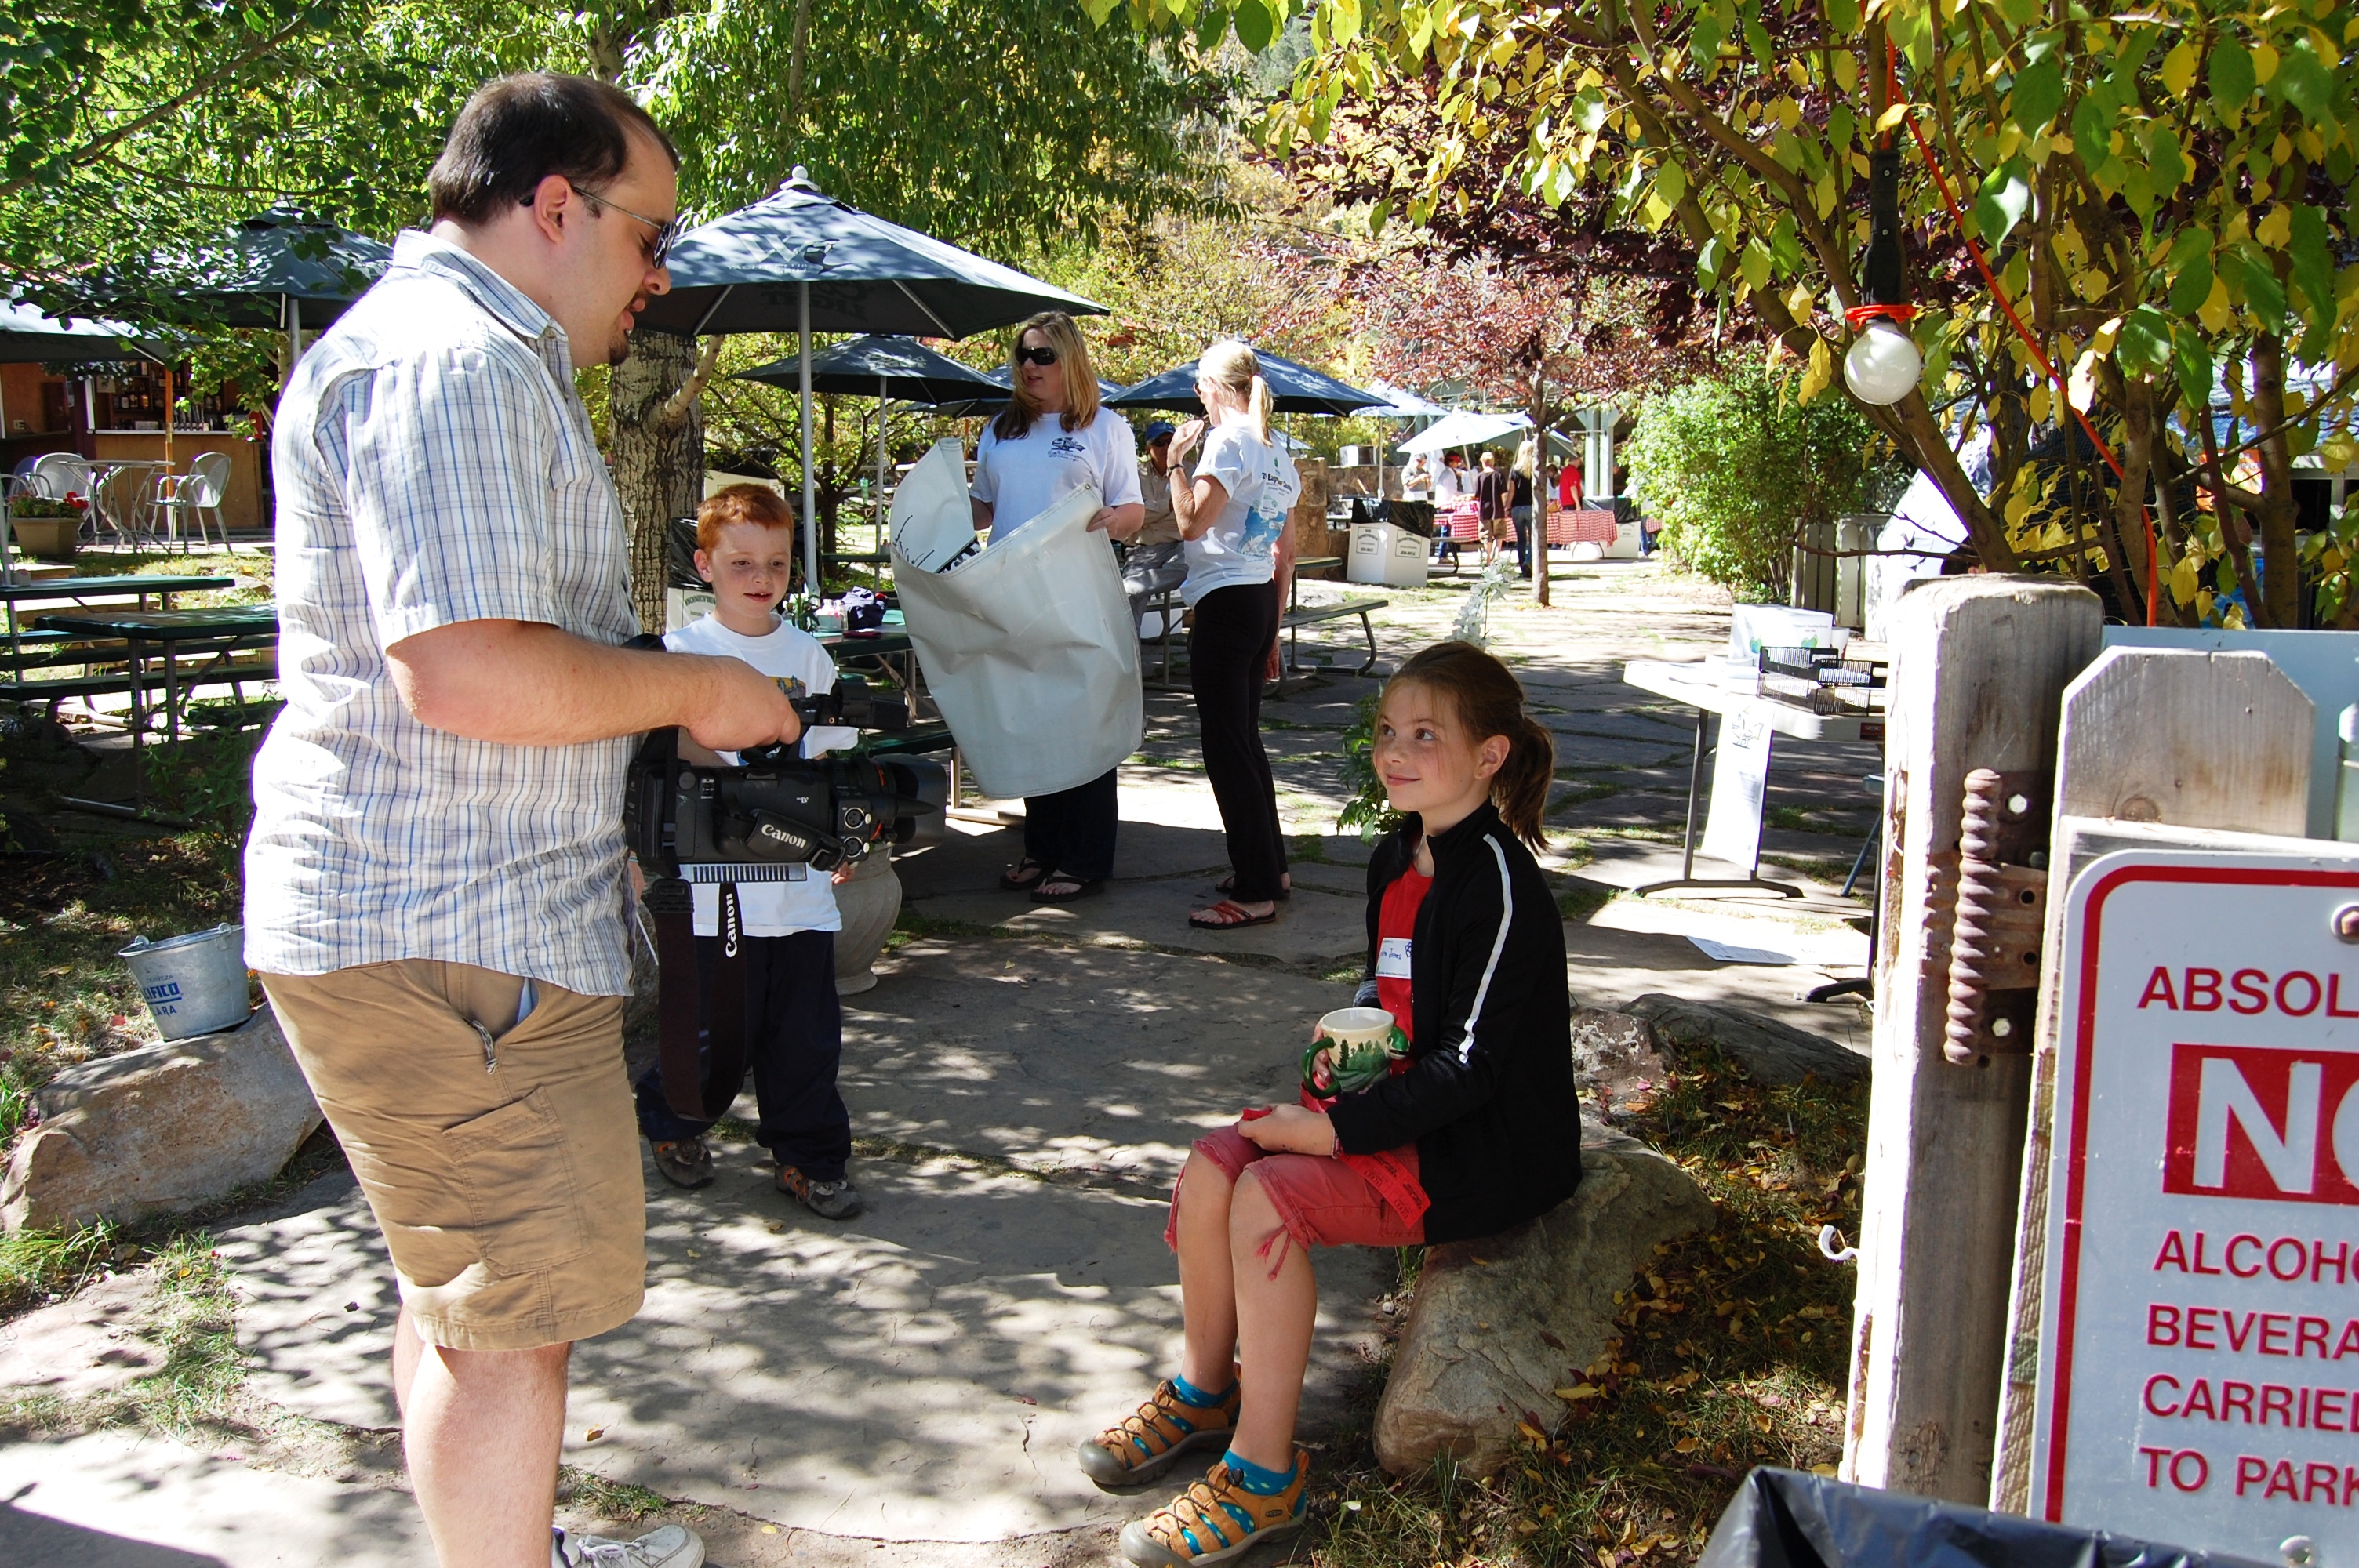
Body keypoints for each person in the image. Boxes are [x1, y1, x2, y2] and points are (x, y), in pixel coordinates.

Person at [245, 73, 804, 1568]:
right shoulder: (459, 364)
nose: (659, 274)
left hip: (443, 923)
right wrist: (699, 684)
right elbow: (466, 671)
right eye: (649, 235)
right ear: (555, 206)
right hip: (451, 938)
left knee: (468, 1303)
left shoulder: (454, 353)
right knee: (511, 1326)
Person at [1078, 640, 1580, 1568]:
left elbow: (1469, 1066)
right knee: (1214, 1161)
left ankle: (1263, 1473)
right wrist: (1342, 1056)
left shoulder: (1499, 886)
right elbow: (1384, 985)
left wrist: (1330, 1129)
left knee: (1270, 1195)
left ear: (1489, 755)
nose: (1395, 751)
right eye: (1387, 730)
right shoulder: (1394, 855)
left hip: (1479, 1150)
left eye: (1424, 734)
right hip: (1399, 1108)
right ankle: (1204, 1390)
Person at [634, 484, 865, 1220]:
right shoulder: (678, 656)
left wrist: (842, 840)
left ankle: (809, 1157)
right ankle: (674, 1123)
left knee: (804, 1041)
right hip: (711, 895)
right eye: (740, 563)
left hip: (797, 894)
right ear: (705, 565)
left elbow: (829, 766)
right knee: (708, 1033)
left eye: (776, 562)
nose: (760, 577)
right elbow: (653, 772)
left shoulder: (810, 657)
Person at [968, 310, 1146, 903]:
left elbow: (1133, 511)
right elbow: (983, 508)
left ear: (1070, 359)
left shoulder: (1105, 427)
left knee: (1083, 725)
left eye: (1043, 354)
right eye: (1022, 354)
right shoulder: (1000, 429)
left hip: (1078, 595)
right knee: (1032, 723)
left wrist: (1113, 520)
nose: (1030, 365)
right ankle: (1041, 849)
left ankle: (1085, 859)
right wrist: (931, 509)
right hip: (1011, 597)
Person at [1163, 340, 1300, 931]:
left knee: (1227, 749)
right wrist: (1273, 630)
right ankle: (1272, 869)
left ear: (1216, 388)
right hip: (1258, 599)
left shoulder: (1226, 442)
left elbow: (1191, 521)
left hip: (1224, 602)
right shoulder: (1278, 450)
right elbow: (1286, 556)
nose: (1197, 395)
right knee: (1245, 742)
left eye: (1199, 384)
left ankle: (1256, 888)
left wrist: (1173, 463)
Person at [1124, 419, 1187, 633]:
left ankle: (1134, 585)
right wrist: (1169, 505)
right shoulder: (1134, 475)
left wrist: (1149, 512)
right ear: (1148, 449)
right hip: (1142, 549)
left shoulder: (1189, 472)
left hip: (1178, 547)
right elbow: (1132, 514)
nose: (1166, 447)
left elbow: (1190, 513)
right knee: (1126, 603)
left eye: (1170, 441)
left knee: (1194, 567)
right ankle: (1129, 653)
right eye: (1159, 443)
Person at [1473, 449, 1508, 567]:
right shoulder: (1499, 475)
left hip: (1484, 511)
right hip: (1498, 509)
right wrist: (1503, 506)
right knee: (1499, 535)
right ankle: (1497, 558)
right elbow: (1504, 495)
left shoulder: (1479, 477)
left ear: (1483, 462)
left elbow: (1476, 495)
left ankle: (1488, 559)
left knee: (1486, 536)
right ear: (1493, 462)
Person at [1509, 440, 1536, 580]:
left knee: (1521, 540)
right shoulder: (1535, 470)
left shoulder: (1515, 470)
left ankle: (1523, 565)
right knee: (1534, 538)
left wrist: (1508, 506)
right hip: (1531, 506)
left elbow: (1512, 492)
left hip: (1517, 507)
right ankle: (1529, 561)